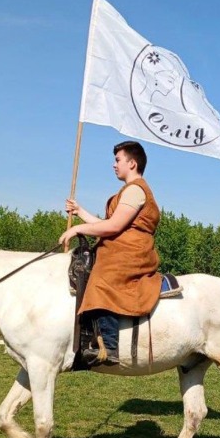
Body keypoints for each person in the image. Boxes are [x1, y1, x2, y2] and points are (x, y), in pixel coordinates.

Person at [58, 141, 161, 366]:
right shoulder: (128, 191)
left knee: (104, 275)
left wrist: (77, 228)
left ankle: (109, 345)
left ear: (132, 163)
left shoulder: (135, 190)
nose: (114, 165)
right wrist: (80, 212)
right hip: (120, 247)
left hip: (131, 252)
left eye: (118, 160)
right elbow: (108, 224)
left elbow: (113, 227)